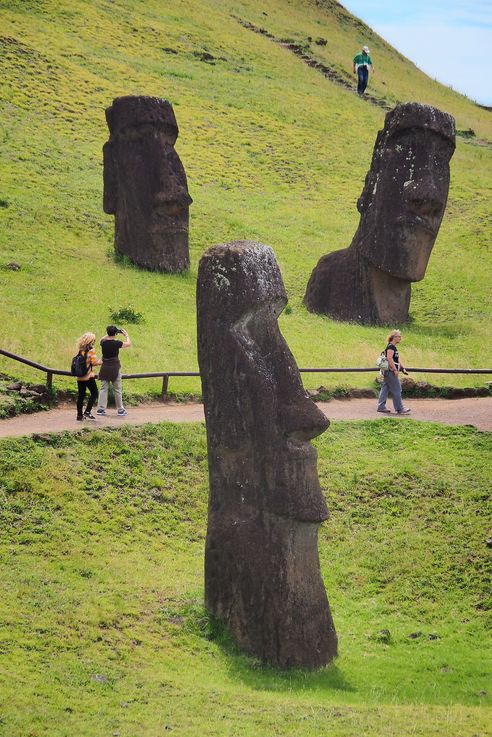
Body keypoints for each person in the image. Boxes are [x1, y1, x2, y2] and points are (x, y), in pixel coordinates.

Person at [96, 325, 131, 417]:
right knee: (117, 389)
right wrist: (126, 335)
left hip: (104, 366)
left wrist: (109, 332)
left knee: (103, 388)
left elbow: (102, 339)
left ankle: (101, 408)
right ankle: (120, 409)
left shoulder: (103, 342)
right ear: (115, 333)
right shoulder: (117, 343)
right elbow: (128, 344)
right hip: (115, 367)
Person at [377, 329, 411, 415]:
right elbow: (389, 358)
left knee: (385, 388)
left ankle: (381, 407)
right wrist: (395, 369)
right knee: (397, 389)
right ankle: (400, 408)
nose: (400, 338)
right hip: (390, 371)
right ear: (394, 337)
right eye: (399, 336)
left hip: (389, 371)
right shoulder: (391, 347)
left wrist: (402, 368)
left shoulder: (393, 347)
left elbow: (397, 359)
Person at [75, 332, 102, 421]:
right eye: (94, 340)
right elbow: (94, 363)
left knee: (81, 396)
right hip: (88, 376)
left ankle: (79, 415)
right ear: (91, 341)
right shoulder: (91, 350)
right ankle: (87, 411)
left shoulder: (80, 350)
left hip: (80, 376)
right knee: (95, 393)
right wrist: (102, 361)